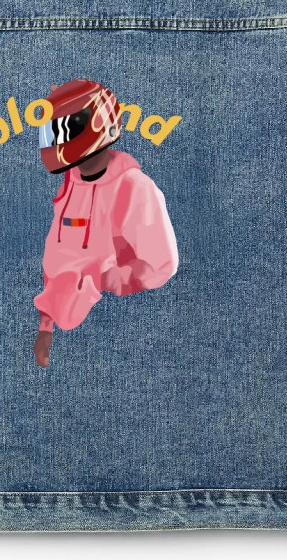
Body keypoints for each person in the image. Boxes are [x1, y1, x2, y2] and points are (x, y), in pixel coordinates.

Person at [33, 79, 179, 367]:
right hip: (69, 325)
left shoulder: (134, 188)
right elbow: (57, 259)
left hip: (126, 329)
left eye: (62, 131)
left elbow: (161, 266)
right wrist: (46, 326)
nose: (56, 141)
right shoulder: (70, 185)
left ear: (94, 123)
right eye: (52, 133)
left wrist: (103, 280)